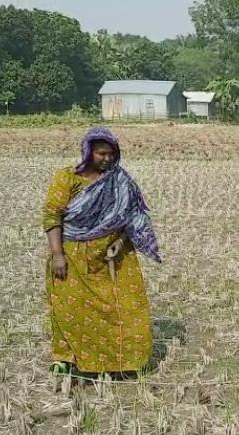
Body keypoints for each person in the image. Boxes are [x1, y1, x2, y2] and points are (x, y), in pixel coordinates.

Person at [41, 127, 162, 380]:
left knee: (124, 308)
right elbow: (52, 215)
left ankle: (120, 362)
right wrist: (57, 254)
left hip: (113, 256)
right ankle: (66, 359)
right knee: (69, 310)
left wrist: (120, 241)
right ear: (88, 152)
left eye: (111, 154)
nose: (107, 159)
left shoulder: (120, 181)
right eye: (101, 153)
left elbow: (133, 217)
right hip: (72, 256)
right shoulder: (68, 179)